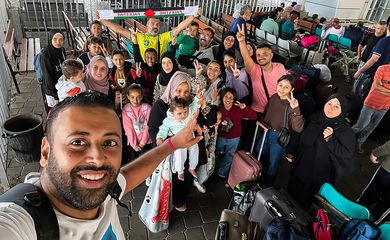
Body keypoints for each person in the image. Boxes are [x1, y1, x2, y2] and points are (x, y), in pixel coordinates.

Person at [0, 90, 203, 239]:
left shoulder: (106, 190)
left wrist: (173, 143)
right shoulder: (21, 223)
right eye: (78, 142)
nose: (97, 159)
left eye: (109, 143)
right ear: (45, 151)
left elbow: (129, 175)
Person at [286, 94, 356, 209]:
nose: (331, 108)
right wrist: (291, 150)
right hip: (301, 164)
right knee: (291, 192)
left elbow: (346, 153)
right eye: (329, 103)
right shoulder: (314, 117)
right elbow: (299, 133)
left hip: (318, 174)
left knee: (304, 202)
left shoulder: (344, 130)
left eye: (336, 106)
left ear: (343, 110)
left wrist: (330, 140)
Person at [97, 9, 200, 61]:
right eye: (153, 24)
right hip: (142, 69)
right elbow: (120, 30)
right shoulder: (139, 37)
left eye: (158, 24)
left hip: (158, 69)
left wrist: (192, 16)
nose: (155, 26)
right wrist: (102, 20)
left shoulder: (163, 37)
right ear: (147, 26)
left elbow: (178, 28)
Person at [257, 75, 305, 184]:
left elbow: (298, 128)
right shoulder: (274, 97)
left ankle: (268, 183)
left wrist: (296, 110)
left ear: (292, 90)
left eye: (286, 87)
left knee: (273, 163)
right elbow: (266, 112)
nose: (282, 89)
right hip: (266, 131)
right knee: (258, 152)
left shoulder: (292, 105)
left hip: (278, 137)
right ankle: (256, 175)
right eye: (280, 85)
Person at [156, 94, 201, 181]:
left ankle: (192, 168)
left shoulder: (189, 111)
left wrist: (197, 98)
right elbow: (163, 129)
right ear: (173, 113)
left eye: (185, 112)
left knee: (195, 150)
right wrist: (160, 138)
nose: (183, 115)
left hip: (191, 136)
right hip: (179, 140)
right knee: (180, 155)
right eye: (179, 113)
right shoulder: (169, 121)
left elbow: (194, 105)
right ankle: (180, 171)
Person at [216, 87, 257, 182]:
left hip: (234, 139)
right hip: (220, 137)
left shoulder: (238, 109)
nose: (228, 100)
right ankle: (210, 169)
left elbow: (254, 116)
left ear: (234, 99)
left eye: (231, 97)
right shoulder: (219, 108)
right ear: (222, 97)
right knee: (214, 153)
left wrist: (245, 108)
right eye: (226, 96)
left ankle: (222, 173)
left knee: (229, 156)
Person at [352, 64, 390, 154]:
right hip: (371, 103)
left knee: (371, 128)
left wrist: (382, 89)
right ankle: (342, 136)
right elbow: (377, 86)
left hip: (384, 107)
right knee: (360, 126)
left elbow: (380, 88)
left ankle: (359, 143)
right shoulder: (382, 69)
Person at [357, 139, 390, 219]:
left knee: (372, 193)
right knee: (386, 204)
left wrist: (376, 153)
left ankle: (357, 214)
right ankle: (371, 224)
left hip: (387, 171)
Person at [122, 84, 152, 160]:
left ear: (142, 97)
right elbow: (129, 128)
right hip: (132, 143)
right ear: (128, 97)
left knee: (145, 162)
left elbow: (148, 126)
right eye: (132, 97)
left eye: (138, 97)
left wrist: (142, 143)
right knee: (133, 162)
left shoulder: (147, 108)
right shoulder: (126, 109)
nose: (135, 100)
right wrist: (134, 145)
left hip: (146, 141)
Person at [41, 30, 66, 109]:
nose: (58, 42)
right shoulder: (45, 55)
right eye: (55, 39)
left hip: (61, 86)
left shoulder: (62, 50)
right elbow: (48, 76)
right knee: (54, 112)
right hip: (52, 90)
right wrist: (55, 96)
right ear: (50, 39)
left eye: (60, 39)